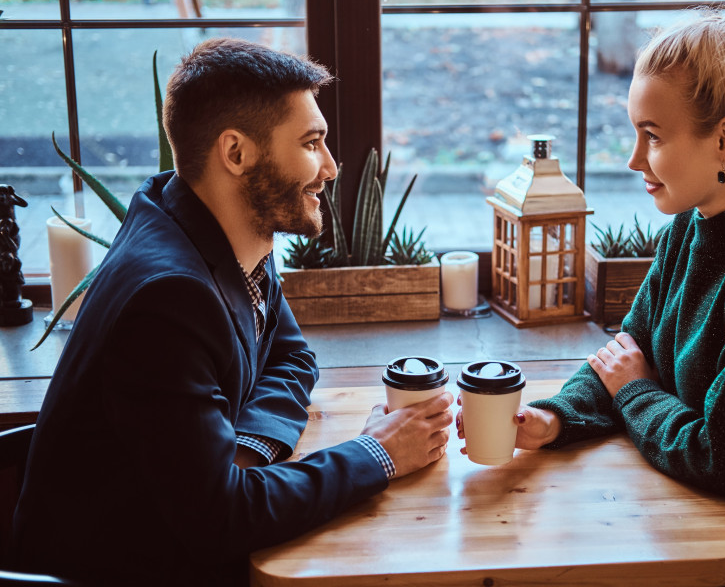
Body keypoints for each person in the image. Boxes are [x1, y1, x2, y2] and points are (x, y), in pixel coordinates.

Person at [459, 14, 725, 586]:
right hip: (719, 530)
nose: (635, 159)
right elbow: (629, 352)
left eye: (654, 136)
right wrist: (554, 417)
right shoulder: (691, 227)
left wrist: (635, 392)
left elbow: (720, 457)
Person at [13, 38, 453, 586]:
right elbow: (222, 519)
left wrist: (244, 454)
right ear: (237, 153)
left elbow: (290, 357)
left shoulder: (208, 223)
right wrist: (378, 455)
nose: (332, 167)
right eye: (312, 143)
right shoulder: (169, 298)